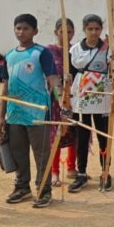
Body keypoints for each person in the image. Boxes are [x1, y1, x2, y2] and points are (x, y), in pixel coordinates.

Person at [0, 14, 59, 208]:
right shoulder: (9, 55)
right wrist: (1, 116)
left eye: (25, 28)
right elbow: (5, 87)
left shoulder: (41, 53)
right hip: (14, 113)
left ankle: (44, 190)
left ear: (35, 31)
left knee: (41, 152)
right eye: (18, 28)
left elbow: (52, 80)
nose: (21, 32)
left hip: (37, 112)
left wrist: (62, 101)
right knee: (18, 152)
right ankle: (22, 187)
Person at [68, 14, 114, 192]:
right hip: (81, 97)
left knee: (104, 136)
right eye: (90, 29)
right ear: (84, 30)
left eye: (97, 29)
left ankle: (105, 171)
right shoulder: (74, 50)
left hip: (102, 97)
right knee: (82, 137)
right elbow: (71, 74)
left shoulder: (108, 50)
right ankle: (81, 173)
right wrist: (67, 95)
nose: (94, 32)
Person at [47, 17, 76, 186]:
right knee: (56, 133)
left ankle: (72, 167)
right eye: (62, 32)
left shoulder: (77, 50)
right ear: (56, 32)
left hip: (74, 97)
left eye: (70, 32)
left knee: (75, 132)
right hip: (55, 99)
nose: (66, 35)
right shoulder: (49, 51)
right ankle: (55, 172)